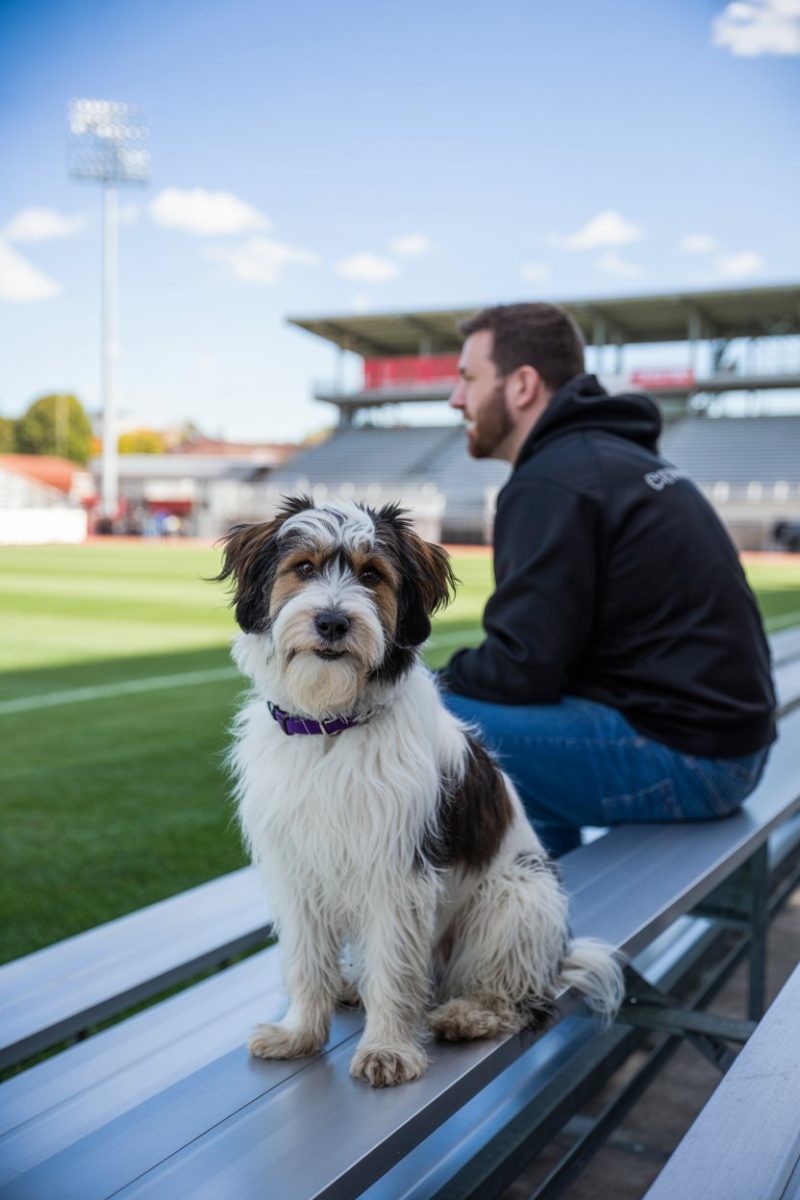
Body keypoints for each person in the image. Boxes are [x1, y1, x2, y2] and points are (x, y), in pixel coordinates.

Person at [438, 303, 776, 857]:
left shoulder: (552, 479)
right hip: (731, 745)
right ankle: (539, 898)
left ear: (522, 385)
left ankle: (501, 917)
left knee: (420, 715)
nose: (457, 399)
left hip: (697, 760)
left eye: (468, 379)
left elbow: (521, 669)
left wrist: (430, 682)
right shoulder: (609, 457)